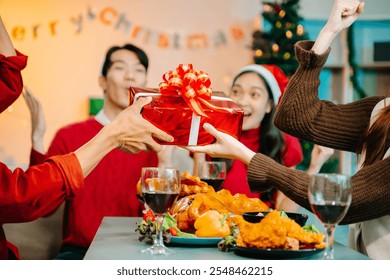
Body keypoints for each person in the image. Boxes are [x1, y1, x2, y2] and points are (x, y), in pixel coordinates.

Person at [186, 0, 390, 259]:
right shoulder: (380, 111)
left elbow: (349, 201)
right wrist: (329, 31)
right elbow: (295, 116)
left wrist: (247, 157)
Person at [0, 15, 173, 260]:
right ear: (102, 81)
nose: (130, 76)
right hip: (78, 253)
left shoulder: (154, 139)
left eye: (139, 70)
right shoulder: (69, 135)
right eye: (120, 68)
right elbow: (42, 207)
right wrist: (38, 140)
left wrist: (165, 163)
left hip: (137, 251)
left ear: (145, 82)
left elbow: (160, 215)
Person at [194, 64, 303, 211]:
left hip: (262, 230)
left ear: (269, 106)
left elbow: (285, 215)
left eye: (254, 94)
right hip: (217, 229)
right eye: (236, 92)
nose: (242, 102)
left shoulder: (285, 143)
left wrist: (314, 167)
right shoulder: (212, 135)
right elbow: (198, 201)